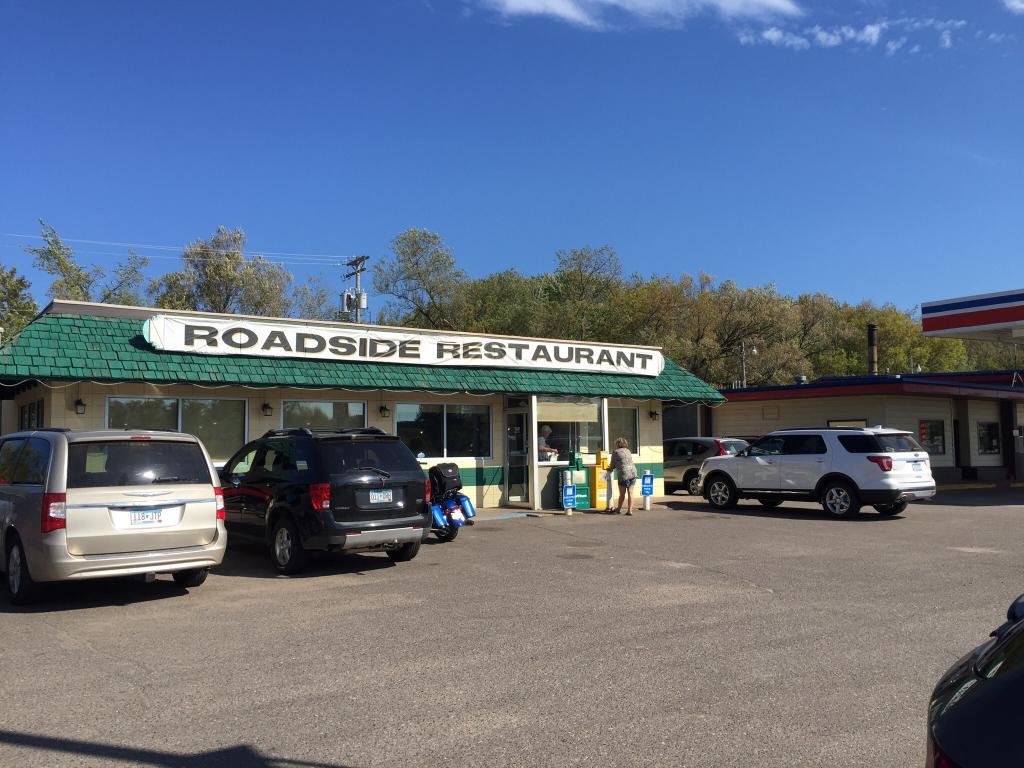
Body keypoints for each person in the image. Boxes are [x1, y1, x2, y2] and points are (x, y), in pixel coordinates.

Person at [610, 437, 638, 515]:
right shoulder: (628, 451)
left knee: (622, 493)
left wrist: (610, 468)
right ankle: (630, 510)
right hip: (633, 473)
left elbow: (612, 464)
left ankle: (618, 509)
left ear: (618, 444)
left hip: (623, 474)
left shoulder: (615, 452)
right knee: (630, 492)